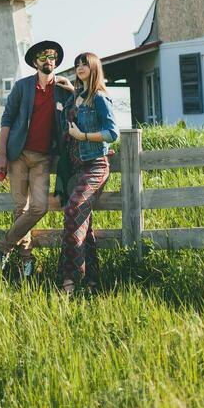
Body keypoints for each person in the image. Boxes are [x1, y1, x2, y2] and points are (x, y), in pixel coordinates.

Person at [0, 39, 73, 277]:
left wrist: (72, 89)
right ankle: (26, 261)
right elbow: (7, 120)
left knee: (38, 207)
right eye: (44, 57)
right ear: (35, 62)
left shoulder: (63, 90)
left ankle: (1, 248)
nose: (49, 61)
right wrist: (2, 155)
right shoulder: (22, 87)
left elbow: (79, 108)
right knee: (20, 208)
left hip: (43, 158)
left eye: (53, 57)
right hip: (18, 155)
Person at [57, 52, 118, 295]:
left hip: (95, 165)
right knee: (83, 223)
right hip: (76, 167)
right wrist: (69, 87)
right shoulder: (77, 98)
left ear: (94, 68)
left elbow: (112, 133)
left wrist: (82, 137)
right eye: (77, 65)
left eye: (85, 64)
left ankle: (70, 281)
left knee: (73, 210)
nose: (80, 67)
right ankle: (92, 283)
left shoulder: (100, 98)